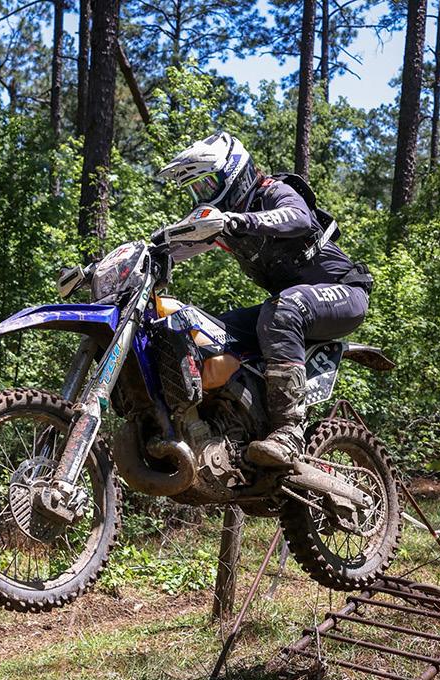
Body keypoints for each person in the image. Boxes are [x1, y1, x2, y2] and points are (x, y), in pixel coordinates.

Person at [155, 131, 373, 468]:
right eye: (196, 190)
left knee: (283, 308)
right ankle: (231, 426)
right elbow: (173, 248)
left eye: (207, 185)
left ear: (233, 173)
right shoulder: (222, 224)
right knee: (203, 328)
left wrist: (237, 220)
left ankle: (289, 430)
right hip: (291, 307)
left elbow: (299, 218)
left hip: (344, 293)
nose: (203, 196)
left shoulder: (272, 192)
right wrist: (130, 260)